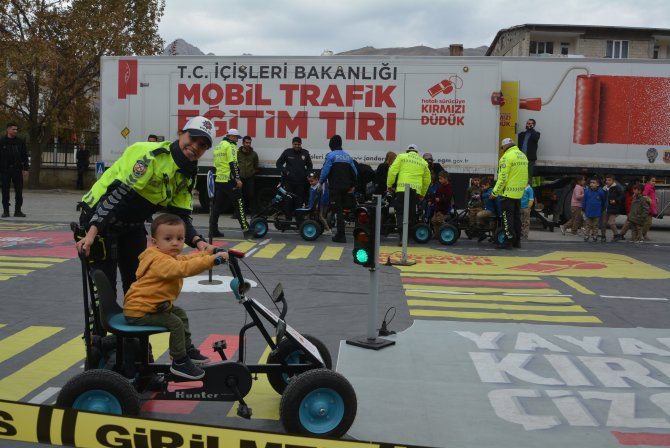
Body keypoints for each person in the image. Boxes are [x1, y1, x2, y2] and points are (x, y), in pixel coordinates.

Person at [75, 116, 217, 295]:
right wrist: (91, 233)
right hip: (100, 216)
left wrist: (200, 243)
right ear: (181, 134)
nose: (196, 146)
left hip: (132, 224)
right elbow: (117, 196)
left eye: (203, 145)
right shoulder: (149, 155)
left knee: (138, 287)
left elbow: (180, 218)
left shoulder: (187, 175)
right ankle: (104, 322)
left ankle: (133, 320)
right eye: (193, 138)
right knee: (105, 295)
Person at [123, 213, 228, 380]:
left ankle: (186, 349)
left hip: (153, 306)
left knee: (181, 314)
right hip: (140, 311)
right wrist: (212, 261)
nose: (175, 243)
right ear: (155, 242)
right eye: (168, 238)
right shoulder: (160, 261)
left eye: (180, 238)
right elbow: (183, 269)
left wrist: (207, 253)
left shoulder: (165, 256)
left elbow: (185, 259)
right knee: (176, 323)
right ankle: (179, 361)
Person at [387, 144, 431, 245]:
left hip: (402, 190)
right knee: (411, 214)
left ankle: (401, 235)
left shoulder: (401, 157)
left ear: (407, 151)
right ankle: (407, 236)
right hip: (415, 191)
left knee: (400, 212)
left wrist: (389, 185)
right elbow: (427, 180)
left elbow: (392, 171)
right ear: (416, 152)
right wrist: (422, 194)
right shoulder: (423, 162)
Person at [210, 129, 250, 238]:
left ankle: (213, 230)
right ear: (231, 136)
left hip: (219, 180)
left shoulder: (218, 146)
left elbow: (215, 165)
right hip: (229, 180)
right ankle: (246, 230)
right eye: (236, 137)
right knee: (239, 204)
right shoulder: (230, 146)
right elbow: (233, 164)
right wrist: (237, 179)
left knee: (217, 207)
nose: (237, 140)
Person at [491, 138, 528, 249]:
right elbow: (524, 176)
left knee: (507, 219)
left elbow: (502, 178)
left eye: (502, 148)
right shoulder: (523, 156)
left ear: (505, 146)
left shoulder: (506, 157)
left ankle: (508, 241)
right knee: (517, 218)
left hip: (507, 193)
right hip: (518, 193)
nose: (502, 150)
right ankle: (517, 242)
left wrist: (494, 193)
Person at [319, 135, 357, 243]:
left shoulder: (331, 156)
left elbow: (325, 171)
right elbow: (355, 172)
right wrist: (353, 185)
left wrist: (320, 182)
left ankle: (341, 235)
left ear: (331, 145)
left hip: (335, 188)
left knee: (338, 211)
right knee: (346, 211)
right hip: (346, 188)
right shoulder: (348, 156)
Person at [276, 137, 313, 220]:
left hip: (301, 182)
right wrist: (285, 171)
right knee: (288, 202)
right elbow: (278, 163)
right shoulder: (287, 152)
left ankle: (298, 221)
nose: (296, 146)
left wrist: (307, 174)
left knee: (299, 202)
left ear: (301, 144)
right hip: (289, 182)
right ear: (292, 144)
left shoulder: (305, 153)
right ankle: (288, 220)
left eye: (298, 144)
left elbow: (310, 165)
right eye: (295, 144)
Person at [0, 122, 29, 217]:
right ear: (8, 129)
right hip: (5, 170)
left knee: (19, 191)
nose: (15, 131)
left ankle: (18, 211)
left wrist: (26, 168)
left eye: (16, 129)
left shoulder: (20, 142)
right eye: (13, 129)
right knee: (5, 191)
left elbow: (25, 156)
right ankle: (6, 211)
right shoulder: (2, 141)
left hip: (17, 170)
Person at [238, 136, 260, 214]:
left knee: (251, 195)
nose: (248, 144)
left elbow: (256, 166)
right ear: (243, 143)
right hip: (240, 177)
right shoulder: (238, 153)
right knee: (239, 195)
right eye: (246, 142)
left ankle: (253, 213)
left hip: (250, 177)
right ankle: (239, 213)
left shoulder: (254, 154)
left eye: (249, 143)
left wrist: (253, 172)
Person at [429, 171, 454, 237]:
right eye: (439, 179)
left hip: (444, 210)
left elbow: (448, 198)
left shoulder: (449, 187)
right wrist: (431, 201)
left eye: (441, 179)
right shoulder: (439, 187)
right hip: (437, 209)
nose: (440, 180)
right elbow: (435, 195)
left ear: (446, 178)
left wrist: (440, 199)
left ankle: (449, 230)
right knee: (434, 221)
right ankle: (437, 234)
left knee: (440, 221)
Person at [582, 177, 606, 242]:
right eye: (590, 183)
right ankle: (586, 235)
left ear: (598, 184)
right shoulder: (587, 191)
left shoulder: (601, 192)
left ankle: (595, 235)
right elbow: (584, 200)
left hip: (597, 212)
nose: (591, 184)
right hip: (588, 211)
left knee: (595, 225)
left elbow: (603, 201)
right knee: (588, 224)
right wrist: (583, 208)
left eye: (593, 183)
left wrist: (602, 209)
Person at [602, 174, 624, 242]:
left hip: (613, 208)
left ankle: (616, 235)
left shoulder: (617, 187)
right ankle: (603, 236)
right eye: (606, 180)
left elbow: (622, 196)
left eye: (609, 180)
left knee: (611, 222)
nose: (607, 181)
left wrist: (616, 200)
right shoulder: (604, 188)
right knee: (603, 223)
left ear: (613, 181)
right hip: (605, 208)